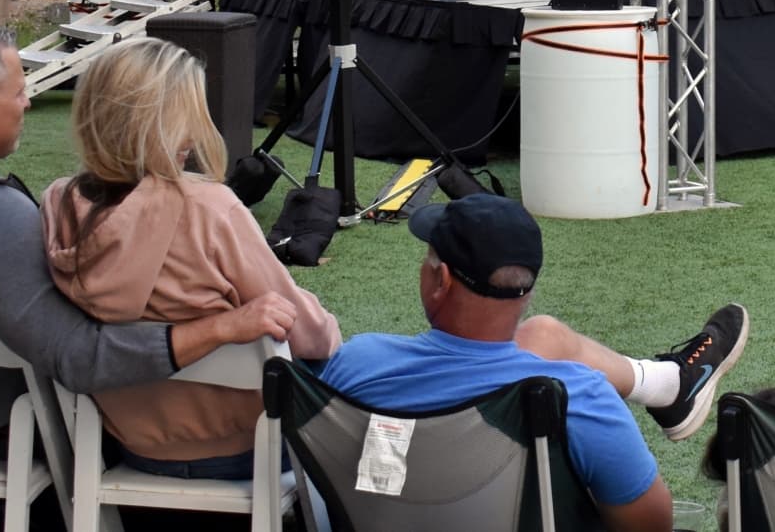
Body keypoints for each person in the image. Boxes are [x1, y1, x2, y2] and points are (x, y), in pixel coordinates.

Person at [0, 21, 295, 532]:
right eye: (21, 92)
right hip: (9, 433)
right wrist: (219, 327)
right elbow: (77, 355)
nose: (26, 104)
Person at [319, 193, 750, 532]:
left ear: (440, 279)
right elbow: (653, 524)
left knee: (546, 336)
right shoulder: (579, 397)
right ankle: (668, 385)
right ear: (527, 294)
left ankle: (670, 384)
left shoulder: (356, 364)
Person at [41, 38, 342, 478]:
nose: (190, 134)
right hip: (249, 444)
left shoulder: (58, 204)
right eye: (183, 117)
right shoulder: (209, 208)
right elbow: (306, 335)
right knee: (354, 367)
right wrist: (326, 327)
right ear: (153, 125)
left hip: (129, 440)